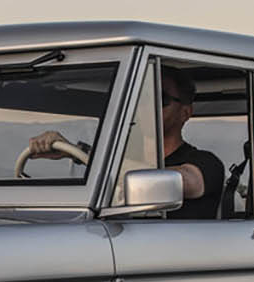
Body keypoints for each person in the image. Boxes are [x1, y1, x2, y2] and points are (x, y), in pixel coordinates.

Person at [27, 67, 231, 219]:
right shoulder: (124, 161)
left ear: (185, 112)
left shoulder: (206, 163)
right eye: (142, 98)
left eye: (159, 99)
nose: (147, 106)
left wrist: (82, 155)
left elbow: (185, 181)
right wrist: (72, 151)